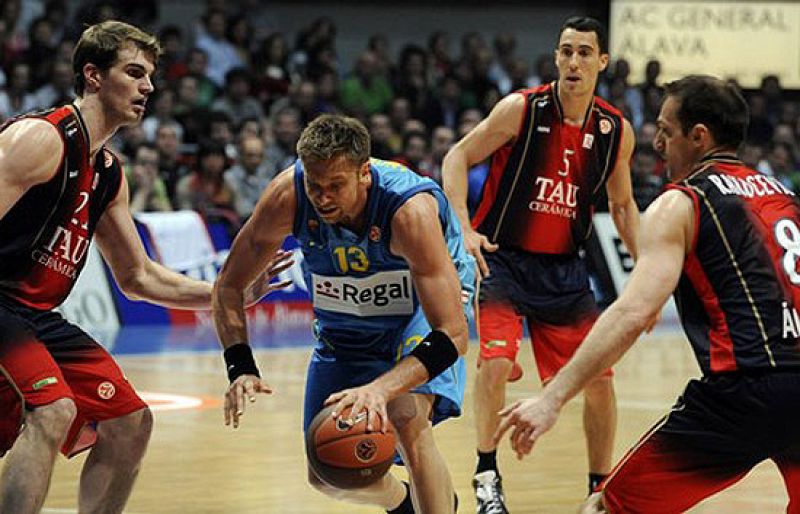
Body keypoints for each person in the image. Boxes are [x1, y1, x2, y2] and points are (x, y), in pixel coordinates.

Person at [0, 21, 288, 514]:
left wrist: (228, 293)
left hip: (37, 317)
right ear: (93, 76)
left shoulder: (109, 172)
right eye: (134, 73)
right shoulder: (40, 140)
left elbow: (139, 279)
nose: (148, 87)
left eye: (150, 75)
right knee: (54, 409)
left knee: (130, 422)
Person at [495, 74, 800, 513]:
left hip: (745, 389)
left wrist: (552, 397)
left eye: (665, 130)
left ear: (699, 137)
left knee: (608, 507)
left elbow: (633, 312)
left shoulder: (684, 201)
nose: (656, 143)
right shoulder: (786, 197)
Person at [212, 114, 476, 514]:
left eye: (336, 185)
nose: (323, 198)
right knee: (325, 472)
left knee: (405, 415)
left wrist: (380, 390)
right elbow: (228, 287)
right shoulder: (288, 197)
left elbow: (453, 335)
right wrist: (241, 366)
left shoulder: (409, 212)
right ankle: (405, 503)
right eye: (315, 186)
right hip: (348, 317)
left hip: (421, 308)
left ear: (364, 173)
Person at [442, 16, 639, 512]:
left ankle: (600, 487)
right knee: (497, 363)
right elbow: (457, 157)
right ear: (556, 57)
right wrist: (464, 228)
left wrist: (647, 265)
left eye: (584, 53)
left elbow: (622, 207)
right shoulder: (522, 110)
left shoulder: (616, 130)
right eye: (566, 51)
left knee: (599, 380)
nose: (574, 61)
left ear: (601, 62)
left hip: (565, 272)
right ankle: (487, 475)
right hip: (504, 263)